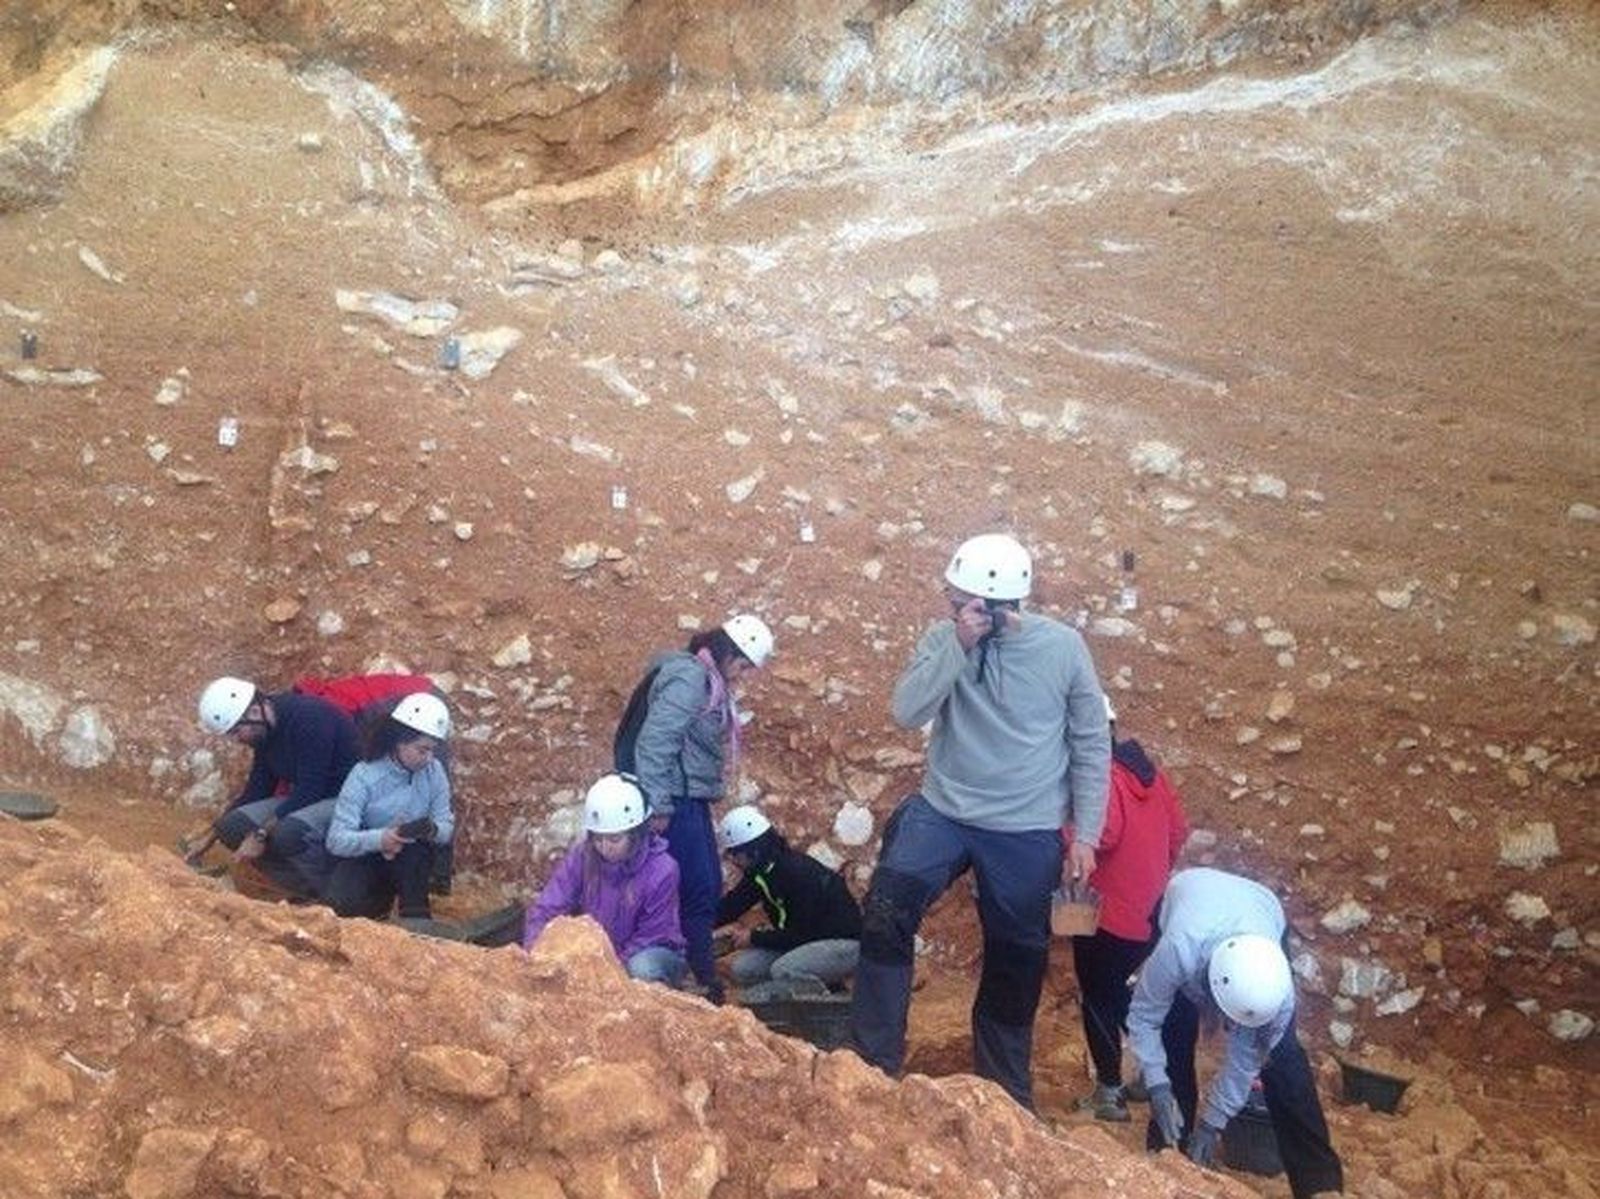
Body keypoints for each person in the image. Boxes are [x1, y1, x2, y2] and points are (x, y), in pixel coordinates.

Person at [850, 532, 1111, 1111]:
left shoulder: (1063, 648)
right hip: (944, 808)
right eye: (954, 600)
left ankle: (1003, 1096)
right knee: (888, 907)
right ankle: (872, 1065)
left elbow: (1092, 741)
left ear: (1000, 602)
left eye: (963, 599)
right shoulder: (944, 639)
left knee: (1017, 952)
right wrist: (959, 646)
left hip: (1025, 825)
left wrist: (1086, 834)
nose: (952, 607)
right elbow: (906, 709)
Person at [1127, 866, 1344, 1199]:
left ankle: (1320, 1185)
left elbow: (1248, 1059)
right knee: (1174, 1033)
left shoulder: (1276, 991)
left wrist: (1213, 1124)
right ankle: (1167, 1154)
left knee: (1282, 1059)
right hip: (1187, 896)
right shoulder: (1179, 949)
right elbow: (1144, 1016)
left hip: (1262, 911)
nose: (1228, 1027)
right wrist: (1157, 1084)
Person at [630, 613, 775, 1002]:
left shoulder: (702, 678)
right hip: (675, 800)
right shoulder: (691, 679)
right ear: (730, 653)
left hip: (687, 797)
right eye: (743, 666)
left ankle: (696, 971)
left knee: (702, 887)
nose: (743, 675)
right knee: (699, 889)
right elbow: (655, 741)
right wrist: (658, 804)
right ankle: (700, 977)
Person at [1067, 695, 1189, 1122]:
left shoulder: (1099, 775)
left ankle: (1109, 1092)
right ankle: (1148, 1073)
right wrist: (1153, 873)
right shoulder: (1151, 775)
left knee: (1098, 997)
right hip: (1149, 910)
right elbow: (1179, 830)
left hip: (1106, 912)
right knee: (1121, 994)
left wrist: (1065, 830)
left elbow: (1104, 832)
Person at [195, 675, 360, 900]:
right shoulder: (265, 731)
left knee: (288, 832)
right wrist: (213, 833)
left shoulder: (310, 719)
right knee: (232, 827)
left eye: (236, 731)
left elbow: (309, 790)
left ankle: (345, 897)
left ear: (254, 712)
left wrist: (260, 834)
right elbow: (258, 789)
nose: (237, 739)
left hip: (347, 797)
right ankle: (307, 891)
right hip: (314, 797)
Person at [521, 774, 688, 987]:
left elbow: (651, 935)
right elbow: (549, 906)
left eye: (614, 839)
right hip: (599, 953)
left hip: (652, 953)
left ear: (636, 833)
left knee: (641, 969)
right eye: (598, 838)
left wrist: (605, 970)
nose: (604, 846)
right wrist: (534, 949)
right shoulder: (584, 855)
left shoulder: (662, 869)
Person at [324, 692, 454, 921]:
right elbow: (336, 840)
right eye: (422, 750)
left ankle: (417, 927)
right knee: (342, 902)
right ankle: (376, 911)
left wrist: (430, 829)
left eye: (432, 750)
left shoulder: (434, 772)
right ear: (398, 742)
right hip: (368, 852)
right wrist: (381, 839)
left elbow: (445, 826)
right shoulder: (364, 775)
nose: (428, 758)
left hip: (411, 854)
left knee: (414, 859)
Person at [715, 805, 863, 1002]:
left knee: (785, 969)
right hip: (803, 942)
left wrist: (754, 937)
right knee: (744, 969)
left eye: (735, 853)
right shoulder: (760, 873)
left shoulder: (796, 872)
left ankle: (833, 1002)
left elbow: (802, 933)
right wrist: (692, 929)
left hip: (841, 943)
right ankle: (819, 985)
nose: (733, 860)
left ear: (753, 850)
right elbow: (731, 906)